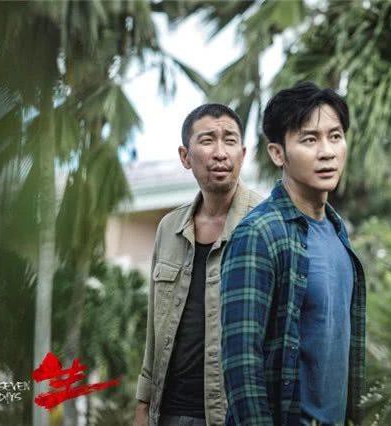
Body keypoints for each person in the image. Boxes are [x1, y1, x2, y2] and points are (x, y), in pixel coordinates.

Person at [220, 82, 366, 426]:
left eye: (335, 136)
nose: (327, 152)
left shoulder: (337, 231)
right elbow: (241, 364)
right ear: (277, 153)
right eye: (309, 140)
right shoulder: (259, 234)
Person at [135, 104, 264, 426]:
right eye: (207, 140)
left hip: (236, 415)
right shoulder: (169, 227)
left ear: (242, 154)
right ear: (185, 156)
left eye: (230, 140)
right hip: (168, 412)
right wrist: (142, 404)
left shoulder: (266, 223)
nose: (220, 153)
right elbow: (155, 327)